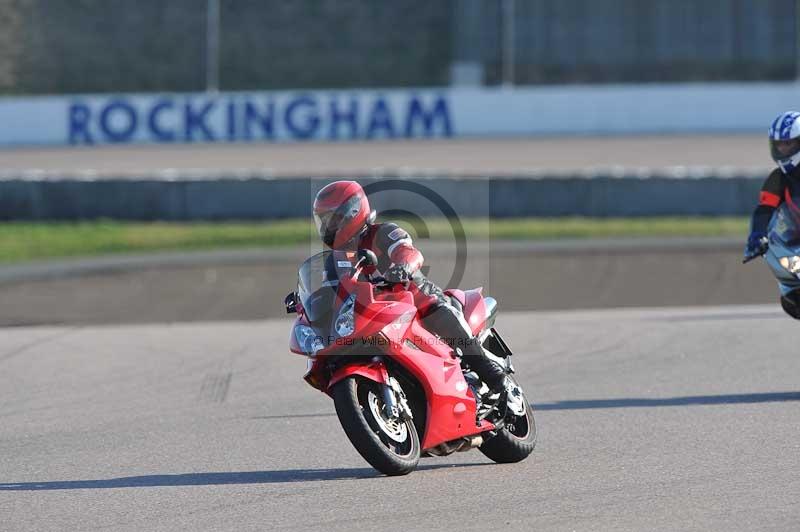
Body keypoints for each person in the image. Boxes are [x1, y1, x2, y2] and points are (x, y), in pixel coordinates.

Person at [312, 180, 512, 400]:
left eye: (334, 219)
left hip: (415, 298)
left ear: (354, 212)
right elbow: (331, 290)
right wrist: (309, 302)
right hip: (378, 314)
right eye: (325, 220)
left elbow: (408, 252)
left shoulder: (382, 233)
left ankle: (487, 370)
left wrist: (403, 266)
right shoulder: (335, 260)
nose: (329, 226)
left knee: (435, 310)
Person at [745, 111, 800, 317]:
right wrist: (756, 235)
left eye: (789, 144)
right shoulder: (778, 178)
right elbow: (764, 210)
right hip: (795, 245)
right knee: (791, 290)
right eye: (779, 145)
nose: (783, 149)